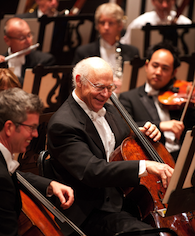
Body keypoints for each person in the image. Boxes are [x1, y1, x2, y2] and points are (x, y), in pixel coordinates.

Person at [47, 56, 174, 236]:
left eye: (110, 87)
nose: (106, 94)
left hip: (126, 201)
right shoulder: (63, 125)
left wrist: (142, 134)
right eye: (99, 87)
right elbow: (93, 171)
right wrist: (146, 165)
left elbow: (122, 143)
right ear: (79, 82)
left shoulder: (110, 108)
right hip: (93, 212)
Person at [0, 87, 74, 236]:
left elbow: (14, 174)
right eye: (32, 127)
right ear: (9, 127)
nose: (36, 134)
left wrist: (49, 184)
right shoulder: (2, 181)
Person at [119, 41, 195, 162]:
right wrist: (161, 125)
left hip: (185, 159)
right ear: (146, 66)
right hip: (154, 160)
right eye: (155, 66)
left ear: (173, 73)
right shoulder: (128, 98)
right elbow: (125, 128)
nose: (158, 72)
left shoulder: (182, 98)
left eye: (165, 68)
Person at [72, 3, 139, 94]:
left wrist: (124, 87)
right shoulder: (84, 52)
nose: (106, 27)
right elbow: (76, 85)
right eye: (102, 23)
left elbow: (137, 86)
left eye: (111, 23)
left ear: (120, 26)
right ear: (97, 26)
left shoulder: (132, 52)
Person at [120, 0, 192, 45]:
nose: (164, 5)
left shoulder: (185, 23)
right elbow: (126, 46)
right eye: (160, 1)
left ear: (174, 0)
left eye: (168, 0)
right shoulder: (139, 23)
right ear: (153, 1)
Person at [0, 17, 56, 86]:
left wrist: (8, 72)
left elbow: (32, 87)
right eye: (22, 38)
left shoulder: (44, 61)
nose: (28, 41)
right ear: (7, 40)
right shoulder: (1, 63)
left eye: (29, 35)